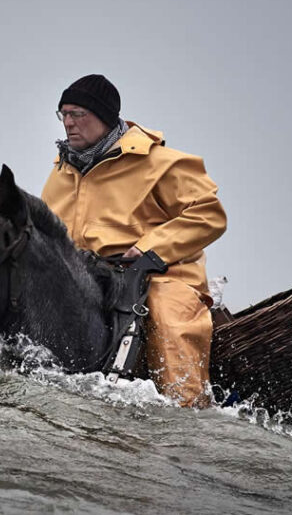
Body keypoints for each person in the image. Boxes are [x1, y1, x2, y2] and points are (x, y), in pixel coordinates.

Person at [41, 74, 227, 408]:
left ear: (106, 116)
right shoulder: (61, 171)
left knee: (168, 319)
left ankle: (187, 413)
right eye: (63, 114)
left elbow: (210, 215)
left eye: (78, 114)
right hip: (86, 276)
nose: (68, 123)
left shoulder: (162, 163)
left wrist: (148, 249)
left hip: (159, 276)